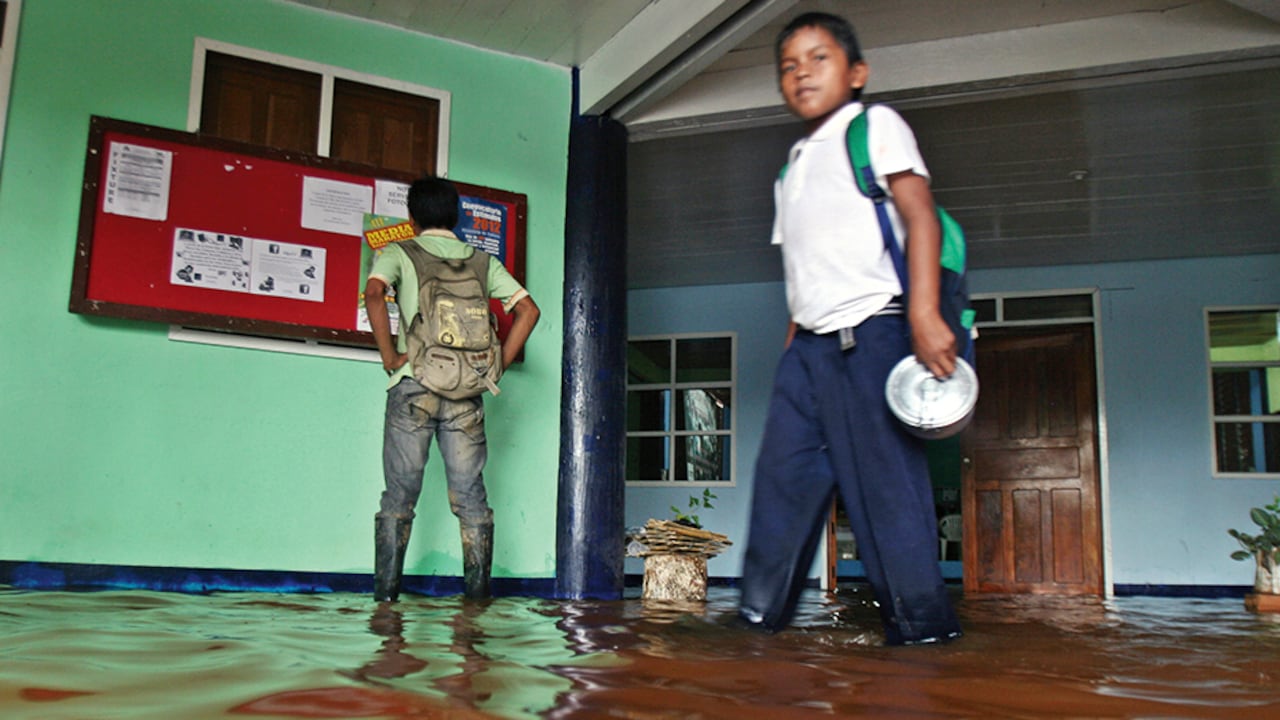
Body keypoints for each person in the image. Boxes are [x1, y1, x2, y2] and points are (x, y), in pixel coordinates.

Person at [736, 12, 962, 645]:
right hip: (807, 350)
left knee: (883, 493)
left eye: (819, 57)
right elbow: (802, 274)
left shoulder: (874, 127)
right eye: (789, 64)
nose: (801, 71)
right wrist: (791, 357)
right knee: (780, 484)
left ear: (856, 72)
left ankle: (923, 633)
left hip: (877, 334)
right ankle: (756, 625)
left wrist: (923, 313)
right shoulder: (792, 168)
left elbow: (921, 218)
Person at [364, 175, 540, 602]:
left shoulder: (399, 251)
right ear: (456, 216)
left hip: (414, 388)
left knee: (399, 497)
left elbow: (373, 294)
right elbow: (528, 311)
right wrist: (495, 367)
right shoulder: (481, 260)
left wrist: (391, 357)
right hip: (467, 394)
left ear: (411, 217)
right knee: (471, 498)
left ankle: (386, 607)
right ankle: (477, 607)